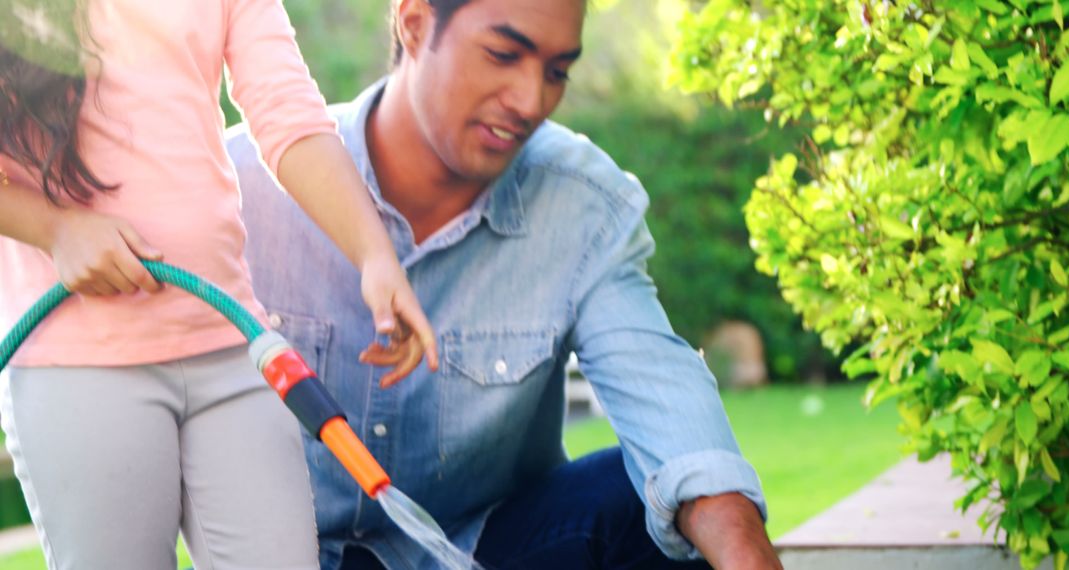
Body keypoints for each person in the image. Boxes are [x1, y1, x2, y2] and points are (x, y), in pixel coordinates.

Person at [230, 0, 782, 568]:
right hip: (291, 555)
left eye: (557, 71)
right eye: (502, 54)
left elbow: (667, 404)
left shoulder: (583, 205)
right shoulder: (235, 190)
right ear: (415, 24)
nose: (530, 101)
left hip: (482, 549)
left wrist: (745, 554)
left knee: (651, 497)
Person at [0, 1, 438, 568]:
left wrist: (374, 254)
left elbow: (287, 114)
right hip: (79, 359)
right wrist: (56, 230)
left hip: (231, 344)